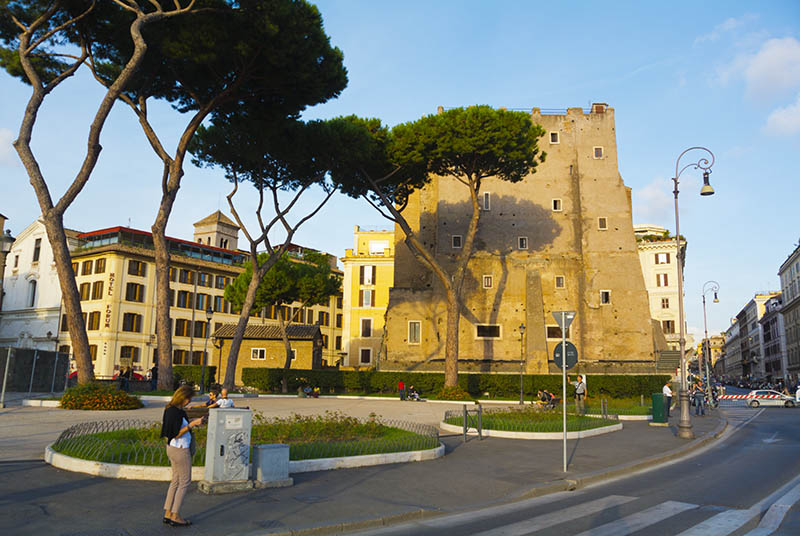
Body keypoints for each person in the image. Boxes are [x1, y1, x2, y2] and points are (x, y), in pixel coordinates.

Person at [160, 385, 204, 527]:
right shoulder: (176, 412)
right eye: (188, 399)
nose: (189, 402)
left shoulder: (171, 409)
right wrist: (192, 425)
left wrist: (192, 422)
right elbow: (176, 433)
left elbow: (173, 430)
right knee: (185, 481)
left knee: (176, 480)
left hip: (172, 448)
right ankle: (175, 515)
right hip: (180, 450)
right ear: (183, 398)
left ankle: (168, 512)